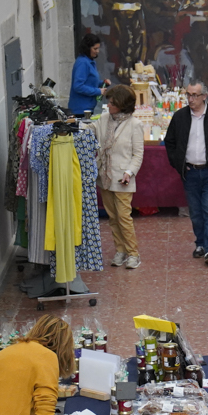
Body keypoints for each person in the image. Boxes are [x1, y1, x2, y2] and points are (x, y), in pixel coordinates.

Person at [164, 78, 208, 265]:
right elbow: (170, 142)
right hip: (190, 172)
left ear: (204, 96)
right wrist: (178, 164)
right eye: (188, 95)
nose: (190, 99)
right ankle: (200, 243)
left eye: (194, 95)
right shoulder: (180, 117)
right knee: (195, 212)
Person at [97, 85, 144, 270]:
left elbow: (137, 155)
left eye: (112, 102)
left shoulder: (135, 125)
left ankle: (133, 253)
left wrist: (129, 172)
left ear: (122, 105)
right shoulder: (103, 119)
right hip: (105, 176)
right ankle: (120, 250)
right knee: (112, 217)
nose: (108, 104)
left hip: (122, 178)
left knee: (124, 216)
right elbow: (90, 130)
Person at [68, 34, 104, 116]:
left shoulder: (90, 61)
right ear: (88, 48)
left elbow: (90, 82)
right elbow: (78, 86)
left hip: (88, 107)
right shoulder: (83, 63)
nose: (97, 51)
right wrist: (98, 91)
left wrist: (102, 83)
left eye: (98, 48)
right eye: (95, 49)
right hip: (81, 110)